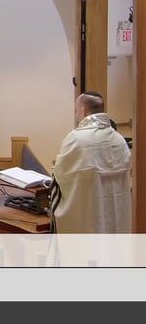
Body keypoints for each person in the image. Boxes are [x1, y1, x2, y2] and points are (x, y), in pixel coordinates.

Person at [50, 91, 132, 233]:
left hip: (89, 217)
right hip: (115, 217)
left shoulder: (76, 139)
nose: (76, 114)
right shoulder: (119, 140)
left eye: (76, 110)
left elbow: (60, 177)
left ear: (83, 110)